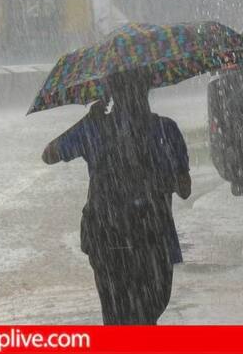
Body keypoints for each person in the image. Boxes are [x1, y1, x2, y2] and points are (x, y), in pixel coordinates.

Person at [41, 72, 191, 325]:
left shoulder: (96, 127)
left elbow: (49, 154)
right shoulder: (166, 129)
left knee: (116, 316)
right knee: (148, 314)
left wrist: (87, 122)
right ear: (147, 91)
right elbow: (185, 189)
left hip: (107, 238)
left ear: (110, 95)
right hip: (153, 240)